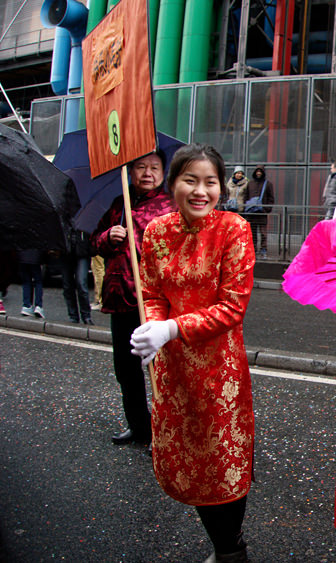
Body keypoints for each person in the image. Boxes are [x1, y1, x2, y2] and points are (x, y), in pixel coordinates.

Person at [130, 143, 255, 562]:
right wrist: (151, 325)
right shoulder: (156, 232)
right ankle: (223, 546)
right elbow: (151, 291)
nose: (201, 191)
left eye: (210, 182)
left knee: (222, 462)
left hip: (220, 372)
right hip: (172, 370)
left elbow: (232, 307)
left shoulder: (234, 229)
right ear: (173, 184)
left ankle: (230, 549)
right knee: (191, 459)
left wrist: (169, 328)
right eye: (191, 180)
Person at [91, 150, 177, 446]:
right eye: (141, 167)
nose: (147, 173)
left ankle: (167, 432)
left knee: (159, 369)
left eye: (154, 167)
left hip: (155, 303)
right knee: (126, 370)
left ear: (164, 172)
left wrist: (137, 239)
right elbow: (94, 242)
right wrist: (108, 237)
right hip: (120, 299)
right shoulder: (119, 204)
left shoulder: (170, 206)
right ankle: (139, 427)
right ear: (131, 171)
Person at [61, 229, 93, 324]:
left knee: (81, 283)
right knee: (67, 286)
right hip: (66, 251)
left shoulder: (84, 217)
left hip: (82, 250)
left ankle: (86, 315)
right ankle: (73, 315)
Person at [244, 165, 275, 259]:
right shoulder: (250, 183)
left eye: (260, 171)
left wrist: (267, 209)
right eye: (257, 171)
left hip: (262, 212)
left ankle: (263, 249)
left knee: (263, 232)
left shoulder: (268, 184)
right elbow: (246, 196)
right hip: (251, 213)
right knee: (252, 232)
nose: (258, 173)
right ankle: (253, 249)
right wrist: (247, 207)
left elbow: (271, 198)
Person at [18, 249, 44, 317]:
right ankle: (38, 306)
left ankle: (27, 306)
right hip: (36, 256)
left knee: (26, 282)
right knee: (38, 282)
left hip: (22, 256)